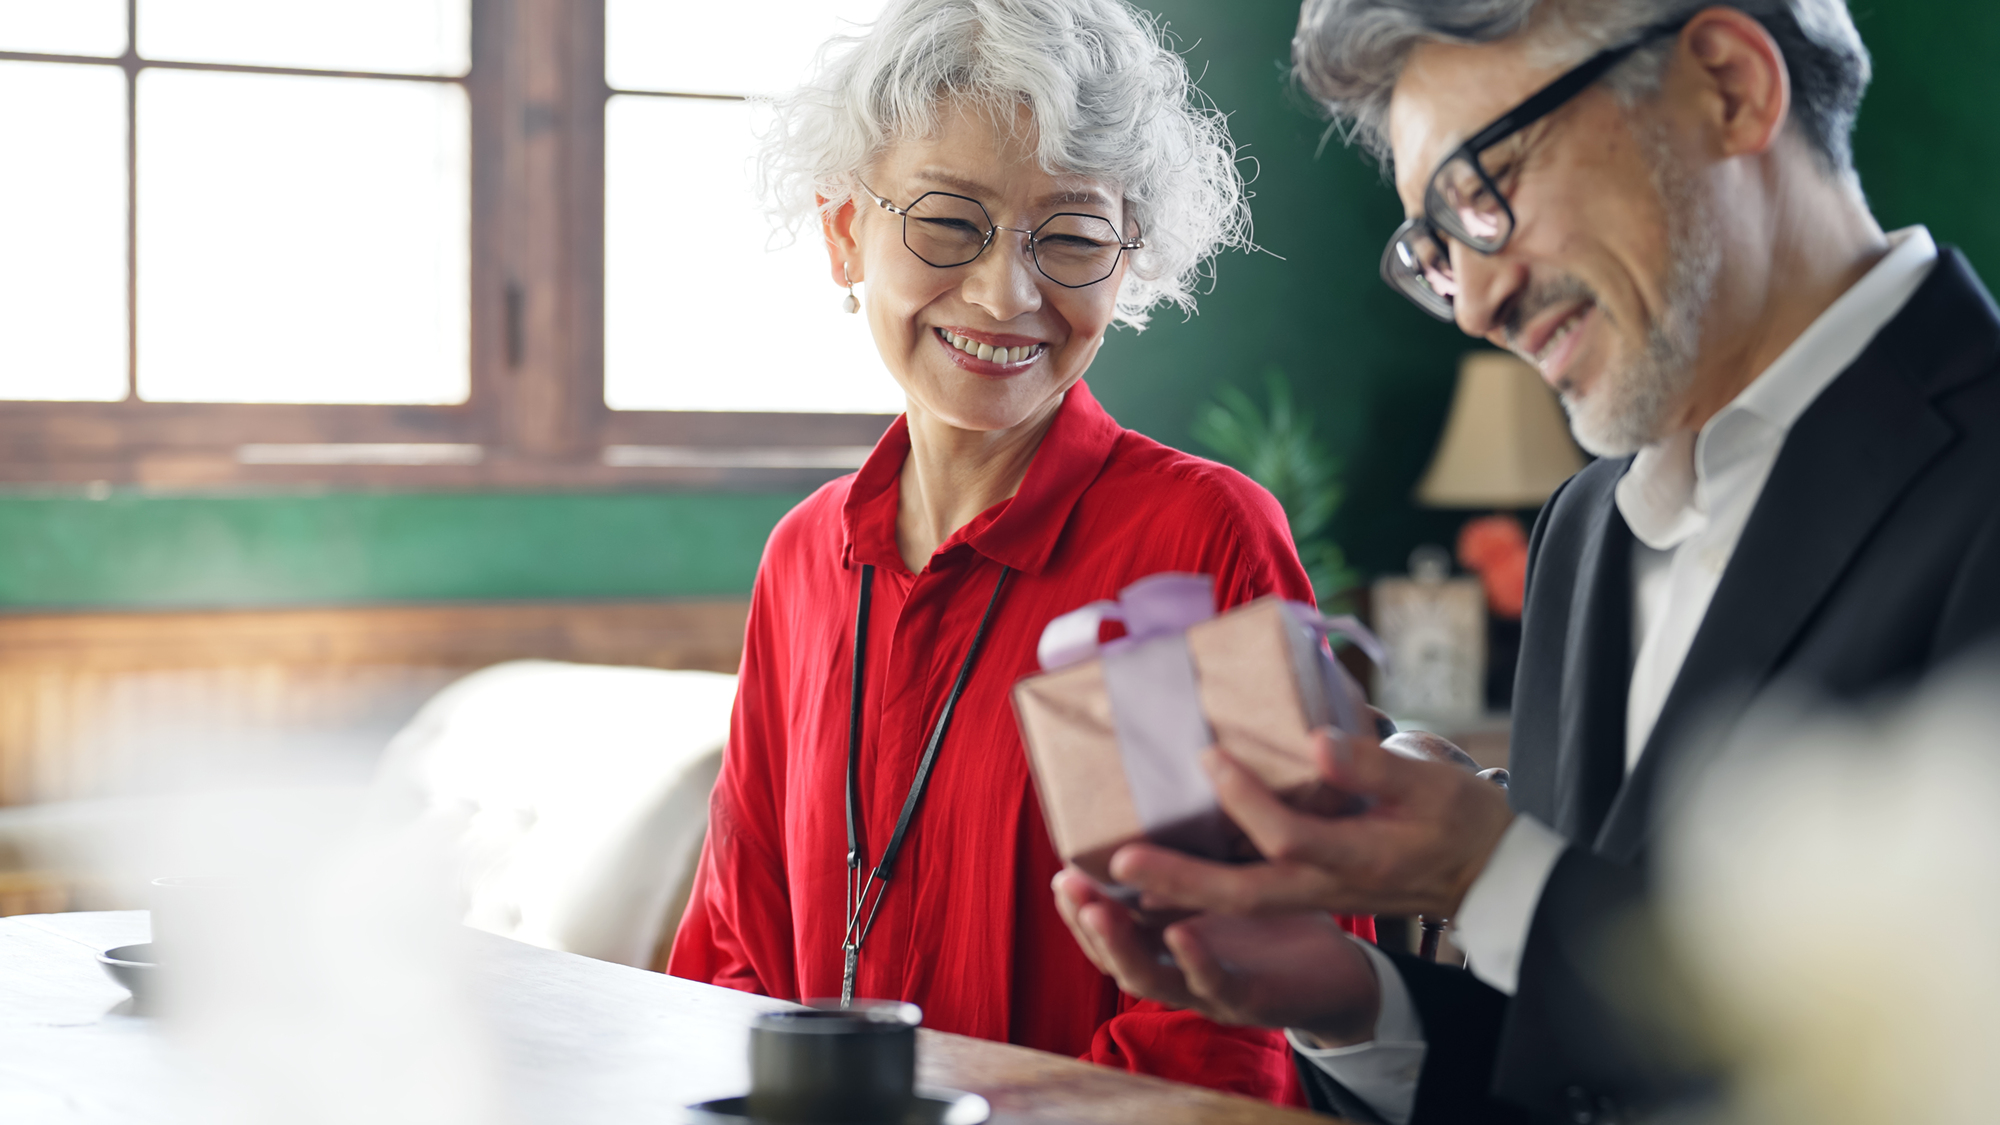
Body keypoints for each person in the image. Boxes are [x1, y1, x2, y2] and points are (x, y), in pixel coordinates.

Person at [1050, 1, 2000, 1122]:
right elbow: (1581, 1069)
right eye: (1438, 251)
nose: (1479, 305)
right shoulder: (1582, 532)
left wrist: (1491, 877)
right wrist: (1359, 1005)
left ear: (1726, 89)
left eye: (1485, 191)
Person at [666, 0, 1373, 1102]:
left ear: (1127, 262)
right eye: (950, 222)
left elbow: (1230, 1026)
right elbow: (729, 956)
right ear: (844, 232)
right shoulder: (805, 556)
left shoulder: (1185, 552)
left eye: (1073, 237)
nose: (1007, 293)